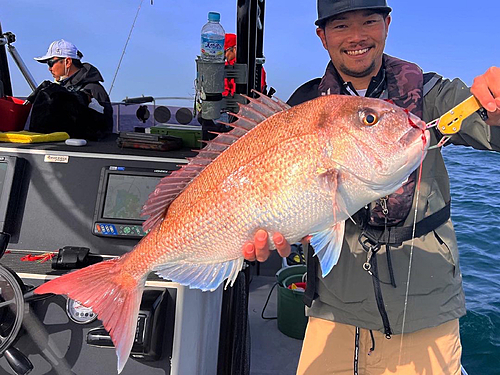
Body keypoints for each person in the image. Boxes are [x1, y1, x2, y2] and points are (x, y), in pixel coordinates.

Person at [242, 0, 500, 374]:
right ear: (322, 36)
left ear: (387, 24)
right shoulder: (302, 109)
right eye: (342, 25)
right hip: (333, 311)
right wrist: (270, 232)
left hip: (426, 307)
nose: (357, 36)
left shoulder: (430, 94)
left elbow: (488, 128)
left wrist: (493, 101)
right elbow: (283, 201)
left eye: (369, 21)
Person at [27, 39, 113, 139]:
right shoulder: (62, 89)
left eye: (51, 63)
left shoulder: (94, 89)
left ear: (67, 62)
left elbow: (103, 130)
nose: (49, 68)